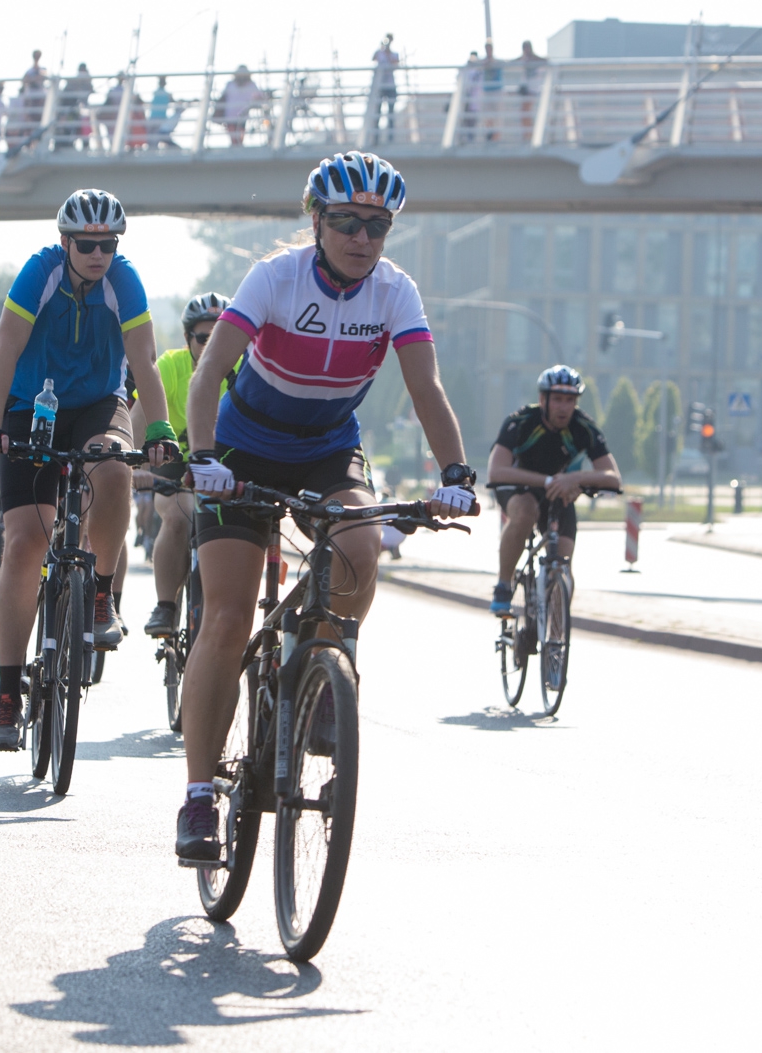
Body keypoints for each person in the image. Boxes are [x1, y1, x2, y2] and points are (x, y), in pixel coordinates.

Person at [173, 151, 476, 862]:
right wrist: (206, 457)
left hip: (326, 448)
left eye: (378, 225)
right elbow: (212, 370)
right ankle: (195, 798)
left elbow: (426, 388)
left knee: (362, 547)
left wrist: (456, 469)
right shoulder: (274, 278)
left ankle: (325, 665)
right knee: (224, 614)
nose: (363, 238)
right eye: (347, 221)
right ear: (318, 220)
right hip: (244, 448)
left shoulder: (395, 292)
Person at [0, 188, 177, 751]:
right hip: (30, 404)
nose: (98, 254)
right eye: (86, 244)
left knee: (113, 469)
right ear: (64, 241)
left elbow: (143, 361)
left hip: (96, 403)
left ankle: (101, 595)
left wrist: (158, 429)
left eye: (107, 245)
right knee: (23, 546)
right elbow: (4, 350)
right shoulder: (38, 274)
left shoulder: (123, 281)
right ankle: (9, 693)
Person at [486, 366, 622, 616]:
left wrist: (576, 479)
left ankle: (553, 632)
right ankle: (504, 585)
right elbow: (496, 471)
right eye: (557, 399)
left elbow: (613, 477)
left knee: (564, 560)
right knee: (526, 512)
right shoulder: (521, 421)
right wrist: (548, 481)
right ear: (542, 399)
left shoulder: (583, 427)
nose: (564, 407)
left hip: (559, 492)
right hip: (518, 488)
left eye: (570, 400)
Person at [140, 292, 237, 639]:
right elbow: (139, 419)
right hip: (174, 463)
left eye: (220, 336)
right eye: (202, 338)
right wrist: (132, 463)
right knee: (179, 516)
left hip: (225, 464)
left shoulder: (244, 370)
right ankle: (166, 606)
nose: (211, 345)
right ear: (187, 340)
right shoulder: (171, 366)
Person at [217, 65, 264, 146]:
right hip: (230, 115)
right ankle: (235, 146)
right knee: (233, 134)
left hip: (242, 114)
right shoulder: (230, 84)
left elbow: (259, 96)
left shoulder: (250, 85)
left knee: (240, 133)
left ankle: (237, 146)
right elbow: (223, 97)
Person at [370, 35, 399, 135]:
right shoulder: (379, 53)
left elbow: (396, 63)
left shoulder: (394, 54)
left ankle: (390, 136)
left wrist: (387, 53)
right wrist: (381, 48)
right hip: (380, 86)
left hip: (390, 85)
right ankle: (376, 136)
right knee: (377, 111)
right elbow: (373, 58)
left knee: (391, 112)